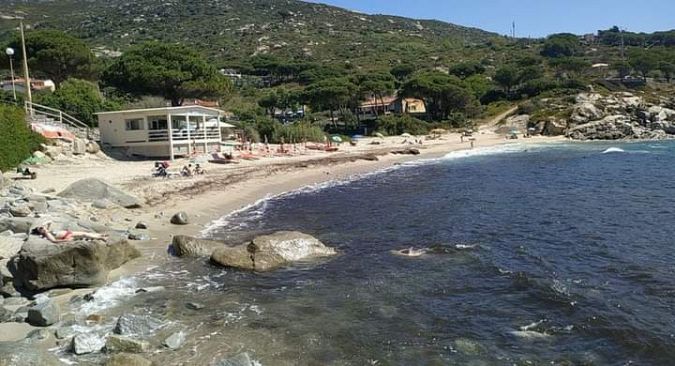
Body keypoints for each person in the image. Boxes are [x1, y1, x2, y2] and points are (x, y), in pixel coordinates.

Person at [34, 222, 107, 243]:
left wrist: (43, 225)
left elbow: (49, 222)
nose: (42, 228)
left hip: (68, 233)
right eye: (40, 229)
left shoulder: (47, 230)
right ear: (41, 232)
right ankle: (100, 238)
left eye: (41, 227)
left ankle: (100, 235)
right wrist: (66, 240)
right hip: (67, 236)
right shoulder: (47, 234)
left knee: (84, 233)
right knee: (84, 234)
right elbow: (54, 240)